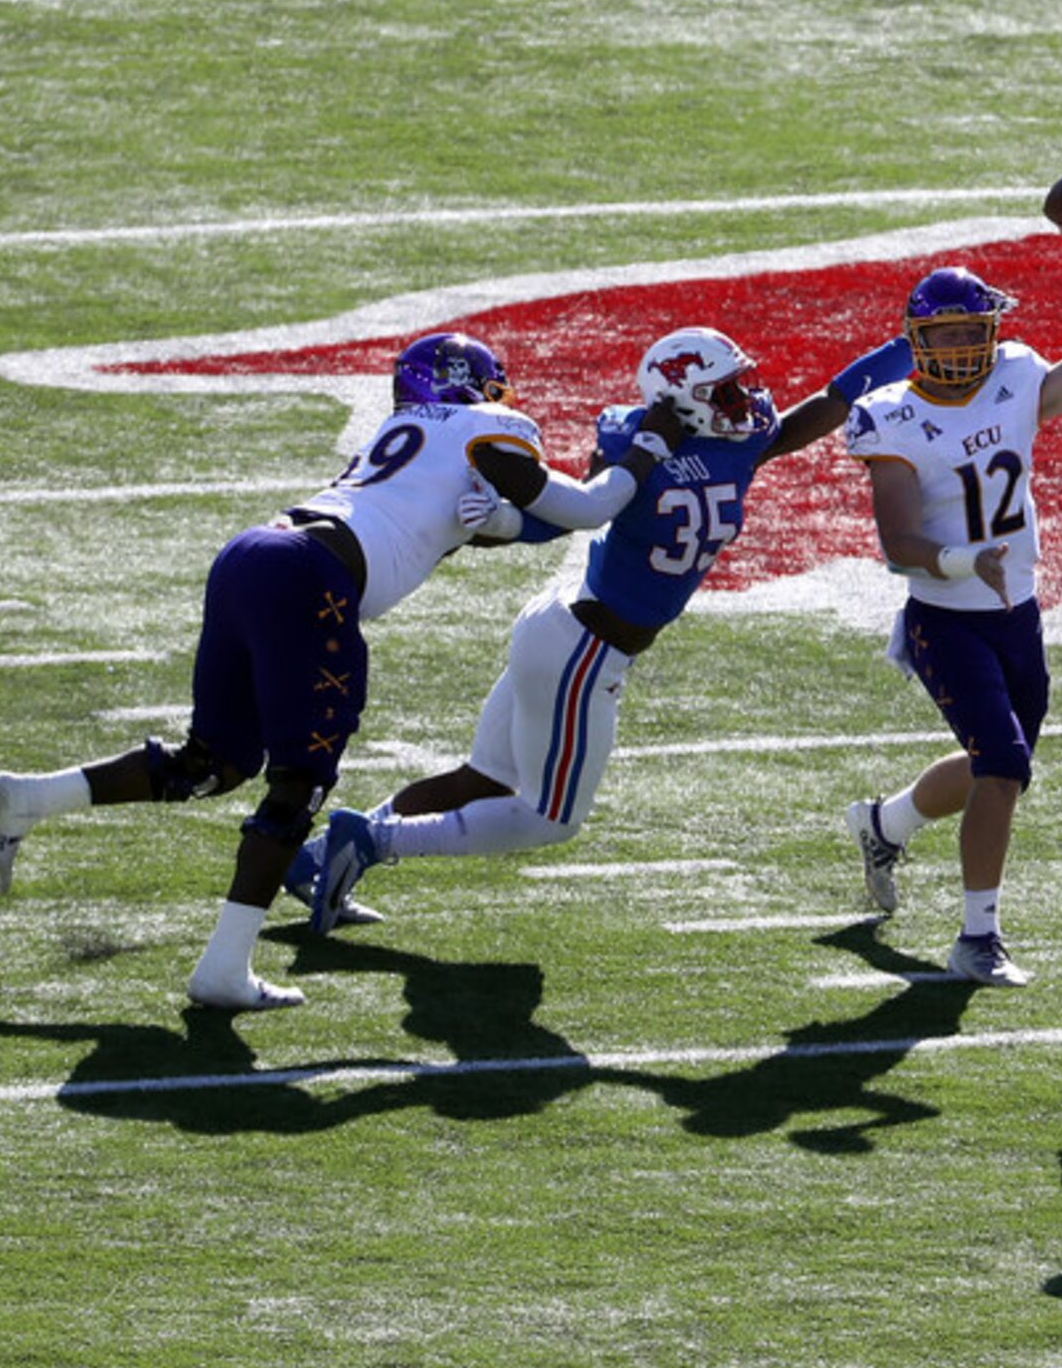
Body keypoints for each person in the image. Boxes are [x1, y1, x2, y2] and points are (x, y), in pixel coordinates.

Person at [0, 332, 675, 1012]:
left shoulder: (404, 439)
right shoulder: (488, 425)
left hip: (256, 553)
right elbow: (584, 508)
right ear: (469, 386)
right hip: (311, 578)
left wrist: (503, 515)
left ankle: (27, 800)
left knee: (212, 762)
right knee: (299, 780)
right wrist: (644, 450)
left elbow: (480, 525)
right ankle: (224, 969)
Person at [285, 326, 915, 928]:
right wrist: (502, 522)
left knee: (484, 781)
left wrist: (903, 351)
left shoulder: (740, 438)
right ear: (681, 400)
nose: (743, 400)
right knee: (550, 819)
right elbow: (568, 513)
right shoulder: (638, 441)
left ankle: (313, 859)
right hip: (585, 647)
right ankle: (369, 838)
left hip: (564, 628)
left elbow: (829, 402)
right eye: (724, 390)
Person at [839, 221, 1062, 986]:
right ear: (916, 340)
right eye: (941, 336)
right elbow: (895, 539)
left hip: (1019, 611)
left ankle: (884, 825)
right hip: (943, 616)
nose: (957, 349)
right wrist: (959, 558)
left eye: (970, 333)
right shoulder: (891, 416)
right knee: (1003, 765)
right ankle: (978, 938)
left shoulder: (1015, 379)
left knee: (998, 767)